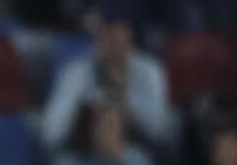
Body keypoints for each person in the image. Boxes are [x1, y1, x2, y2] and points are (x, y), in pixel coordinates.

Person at [42, 14, 173, 154]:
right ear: (96, 44)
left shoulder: (150, 71)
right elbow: (51, 133)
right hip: (84, 154)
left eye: (118, 41)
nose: (112, 49)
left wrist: (123, 108)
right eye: (106, 40)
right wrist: (86, 118)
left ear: (130, 44)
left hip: (138, 151)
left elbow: (159, 130)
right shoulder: (75, 72)